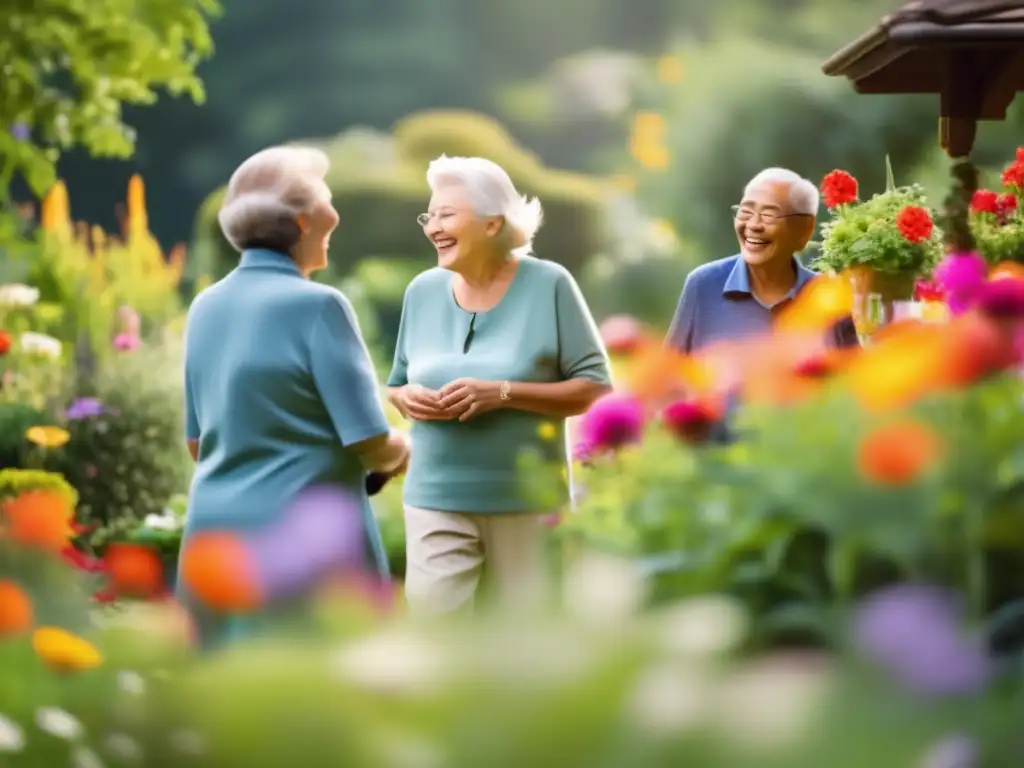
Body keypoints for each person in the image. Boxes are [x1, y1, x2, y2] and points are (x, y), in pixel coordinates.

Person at [181, 145, 409, 649]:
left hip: (214, 538)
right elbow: (369, 439)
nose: (336, 213)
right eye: (327, 200)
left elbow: (198, 444)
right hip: (300, 541)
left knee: (222, 705)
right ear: (305, 221)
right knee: (315, 697)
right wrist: (406, 451)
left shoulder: (205, 306)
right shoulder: (321, 306)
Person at [387, 155, 612, 617]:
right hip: (435, 497)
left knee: (531, 642)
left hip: (526, 499)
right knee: (436, 634)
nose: (433, 227)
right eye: (429, 216)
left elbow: (594, 386)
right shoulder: (421, 292)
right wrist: (406, 398)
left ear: (493, 224)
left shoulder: (549, 284)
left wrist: (503, 393)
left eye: (447, 214)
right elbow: (396, 383)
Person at [666, 167, 858, 354]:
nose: (753, 225)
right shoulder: (703, 285)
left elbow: (858, 378)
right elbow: (667, 376)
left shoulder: (830, 298)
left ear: (804, 229)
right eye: (746, 211)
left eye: (769, 214)